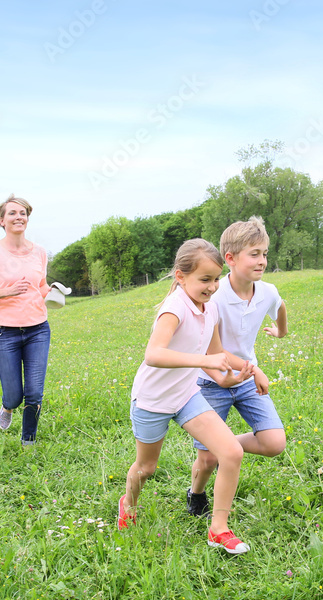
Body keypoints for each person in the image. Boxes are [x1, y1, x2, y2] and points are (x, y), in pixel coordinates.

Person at [119, 239, 255, 554]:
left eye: (216, 278)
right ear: (181, 277)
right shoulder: (174, 308)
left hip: (185, 396)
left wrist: (235, 375)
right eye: (204, 279)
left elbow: (216, 353)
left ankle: (218, 529)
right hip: (152, 400)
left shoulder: (212, 308)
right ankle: (129, 503)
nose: (212, 286)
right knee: (147, 468)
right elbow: (154, 354)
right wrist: (205, 363)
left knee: (231, 453)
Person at [186, 217, 288, 517]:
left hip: (245, 378)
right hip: (210, 381)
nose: (262, 261)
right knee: (207, 461)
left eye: (265, 254)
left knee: (274, 443)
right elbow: (208, 349)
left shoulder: (267, 291)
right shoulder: (214, 297)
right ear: (229, 258)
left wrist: (280, 331)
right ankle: (196, 493)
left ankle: (225, 445)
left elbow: (280, 305)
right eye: (254, 254)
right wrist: (252, 370)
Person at [0, 194, 53, 448]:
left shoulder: (39, 252)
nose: (19, 217)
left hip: (38, 329)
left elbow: (40, 286)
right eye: (13, 213)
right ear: (1, 220)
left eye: (23, 213)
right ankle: (8, 406)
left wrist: (54, 292)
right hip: (4, 332)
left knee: (34, 392)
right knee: (15, 395)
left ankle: (28, 441)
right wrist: (6, 291)